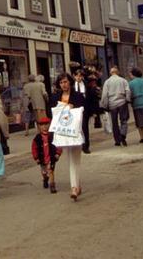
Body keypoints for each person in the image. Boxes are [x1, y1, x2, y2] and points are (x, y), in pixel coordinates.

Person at [50, 72, 86, 200]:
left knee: (75, 159)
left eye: (65, 82)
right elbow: (52, 115)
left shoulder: (78, 96)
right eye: (61, 82)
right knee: (70, 159)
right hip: (63, 133)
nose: (64, 85)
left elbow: (84, 113)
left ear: (70, 82)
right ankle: (76, 185)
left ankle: (74, 188)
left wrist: (72, 107)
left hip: (75, 131)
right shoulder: (55, 97)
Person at [100, 66, 132, 147]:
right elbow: (128, 91)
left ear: (111, 73)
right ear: (118, 72)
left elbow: (104, 95)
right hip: (122, 102)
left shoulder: (107, 82)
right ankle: (123, 135)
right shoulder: (123, 80)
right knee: (123, 120)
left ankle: (117, 140)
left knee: (114, 123)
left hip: (112, 104)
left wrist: (104, 105)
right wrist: (127, 100)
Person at [31, 116, 61, 193]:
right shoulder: (37, 138)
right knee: (44, 172)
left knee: (51, 171)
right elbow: (34, 148)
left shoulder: (53, 136)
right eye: (42, 125)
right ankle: (45, 178)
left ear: (49, 125)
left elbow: (58, 144)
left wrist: (58, 153)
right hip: (42, 158)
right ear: (39, 127)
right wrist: (36, 157)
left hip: (51, 157)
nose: (44, 127)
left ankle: (52, 185)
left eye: (46, 125)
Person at [72, 68, 93, 154]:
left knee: (84, 128)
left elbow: (91, 97)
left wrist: (92, 110)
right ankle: (77, 145)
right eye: (77, 76)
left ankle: (86, 146)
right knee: (76, 128)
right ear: (74, 76)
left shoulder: (86, 85)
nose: (78, 77)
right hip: (75, 109)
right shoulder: (72, 86)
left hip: (84, 109)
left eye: (80, 76)